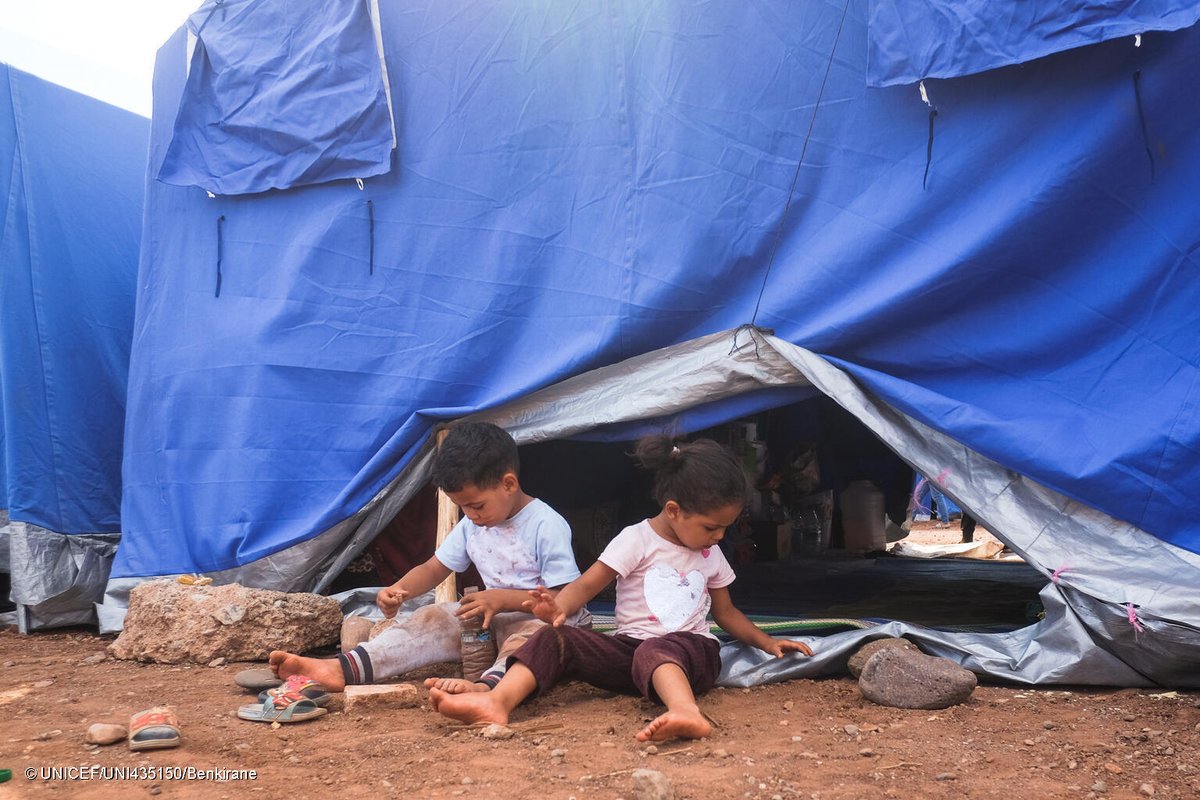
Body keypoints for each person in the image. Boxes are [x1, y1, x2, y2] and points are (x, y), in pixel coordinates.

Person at [428, 435, 814, 742]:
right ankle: (497, 701)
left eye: (724, 528)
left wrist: (766, 642)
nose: (719, 536)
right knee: (557, 638)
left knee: (657, 647)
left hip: (692, 655)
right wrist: (558, 610)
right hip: (631, 655)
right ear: (674, 510)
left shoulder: (709, 553)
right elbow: (588, 582)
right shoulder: (636, 540)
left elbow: (726, 613)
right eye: (712, 527)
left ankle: (686, 711)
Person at [269, 421, 589, 692]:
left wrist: (502, 600)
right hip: (492, 621)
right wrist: (401, 589)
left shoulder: (545, 524)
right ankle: (342, 669)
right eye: (462, 506)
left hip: (551, 623)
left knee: (533, 639)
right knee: (430, 618)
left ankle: (486, 690)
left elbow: (564, 599)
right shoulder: (471, 525)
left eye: (477, 505)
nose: (471, 515)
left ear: (508, 484)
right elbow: (435, 567)